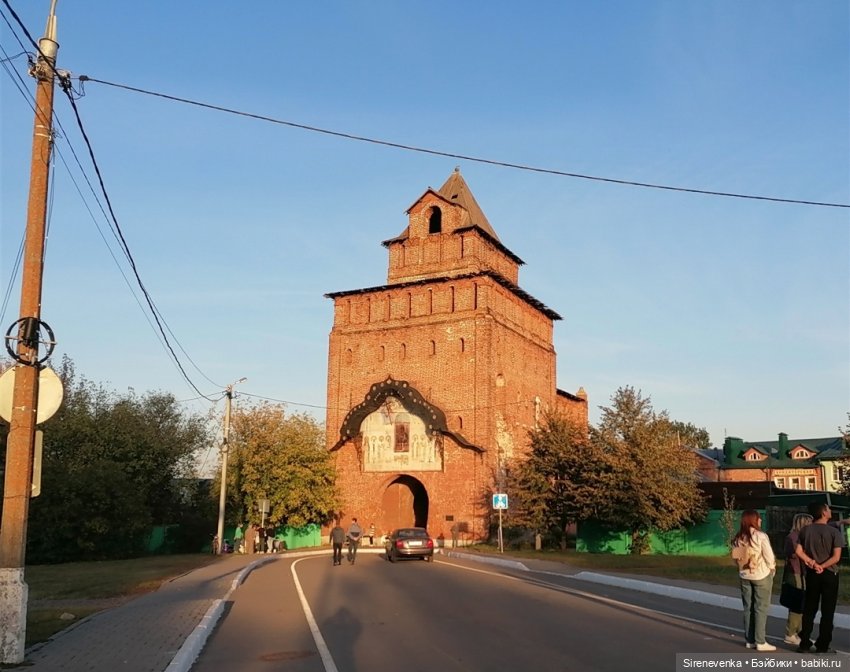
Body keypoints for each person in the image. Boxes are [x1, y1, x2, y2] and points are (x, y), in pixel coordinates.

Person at [794, 502, 845, 654]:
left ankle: (804, 643)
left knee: (810, 608)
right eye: (828, 509)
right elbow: (836, 557)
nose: (830, 511)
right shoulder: (834, 532)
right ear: (823, 512)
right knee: (827, 611)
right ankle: (823, 645)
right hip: (829, 573)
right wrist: (823, 566)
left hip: (812, 574)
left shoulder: (805, 531)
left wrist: (811, 562)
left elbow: (798, 551)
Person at [731, 509, 776, 652]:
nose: (760, 520)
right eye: (758, 518)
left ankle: (749, 640)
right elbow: (769, 556)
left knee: (748, 608)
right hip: (761, 575)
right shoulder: (760, 536)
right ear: (753, 520)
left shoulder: (738, 538)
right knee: (761, 608)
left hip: (744, 575)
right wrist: (772, 569)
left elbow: (735, 558)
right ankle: (760, 641)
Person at [782, 513, 812, 645]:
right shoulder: (793, 537)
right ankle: (790, 633)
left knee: (802, 604)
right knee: (797, 603)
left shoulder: (801, 537)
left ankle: (799, 632)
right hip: (795, 572)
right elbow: (793, 554)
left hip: (803, 572)